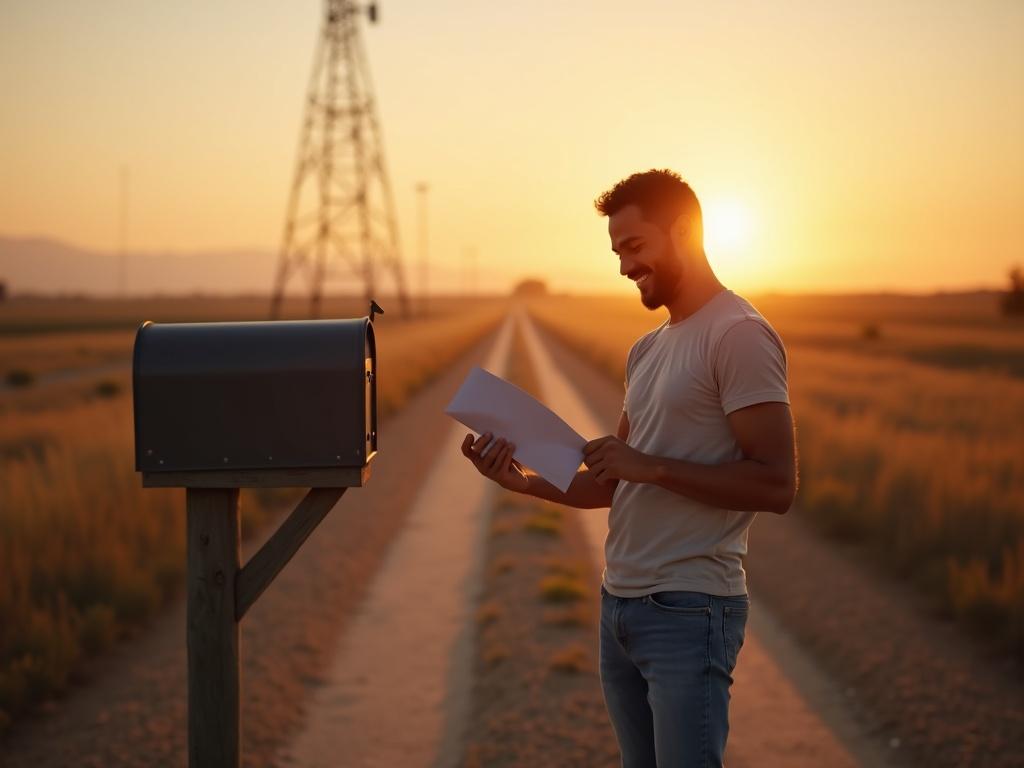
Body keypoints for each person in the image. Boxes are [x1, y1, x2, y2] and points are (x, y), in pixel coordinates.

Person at [460, 168, 798, 767]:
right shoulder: (647, 349)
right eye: (617, 251)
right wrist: (524, 482)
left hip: (691, 609)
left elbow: (776, 483)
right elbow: (615, 483)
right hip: (620, 606)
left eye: (635, 247)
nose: (623, 266)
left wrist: (653, 467)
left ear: (685, 231)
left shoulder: (739, 335)